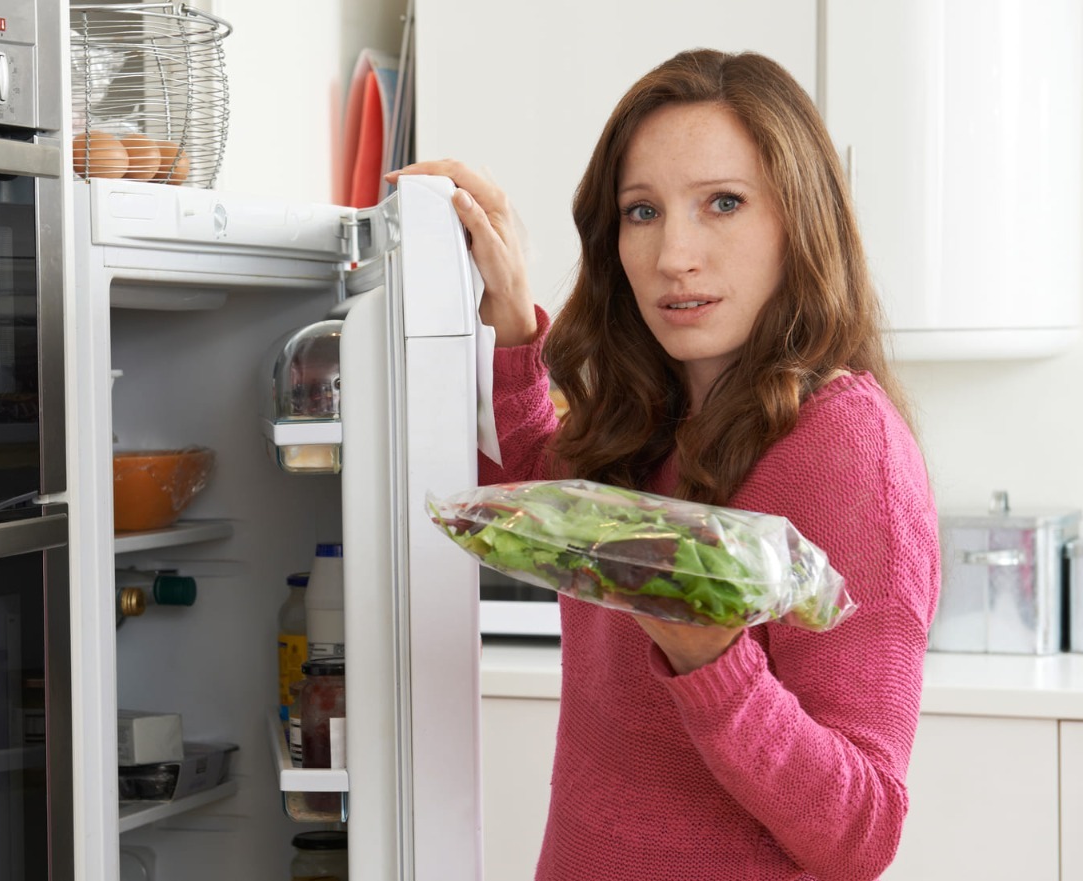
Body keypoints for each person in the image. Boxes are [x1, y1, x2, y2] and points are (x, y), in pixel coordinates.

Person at [391, 49, 939, 880]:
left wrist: (712, 659)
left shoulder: (847, 450)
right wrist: (509, 324)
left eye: (723, 203)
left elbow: (862, 831)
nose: (674, 255)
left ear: (801, 219)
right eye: (641, 211)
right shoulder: (650, 411)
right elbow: (549, 512)